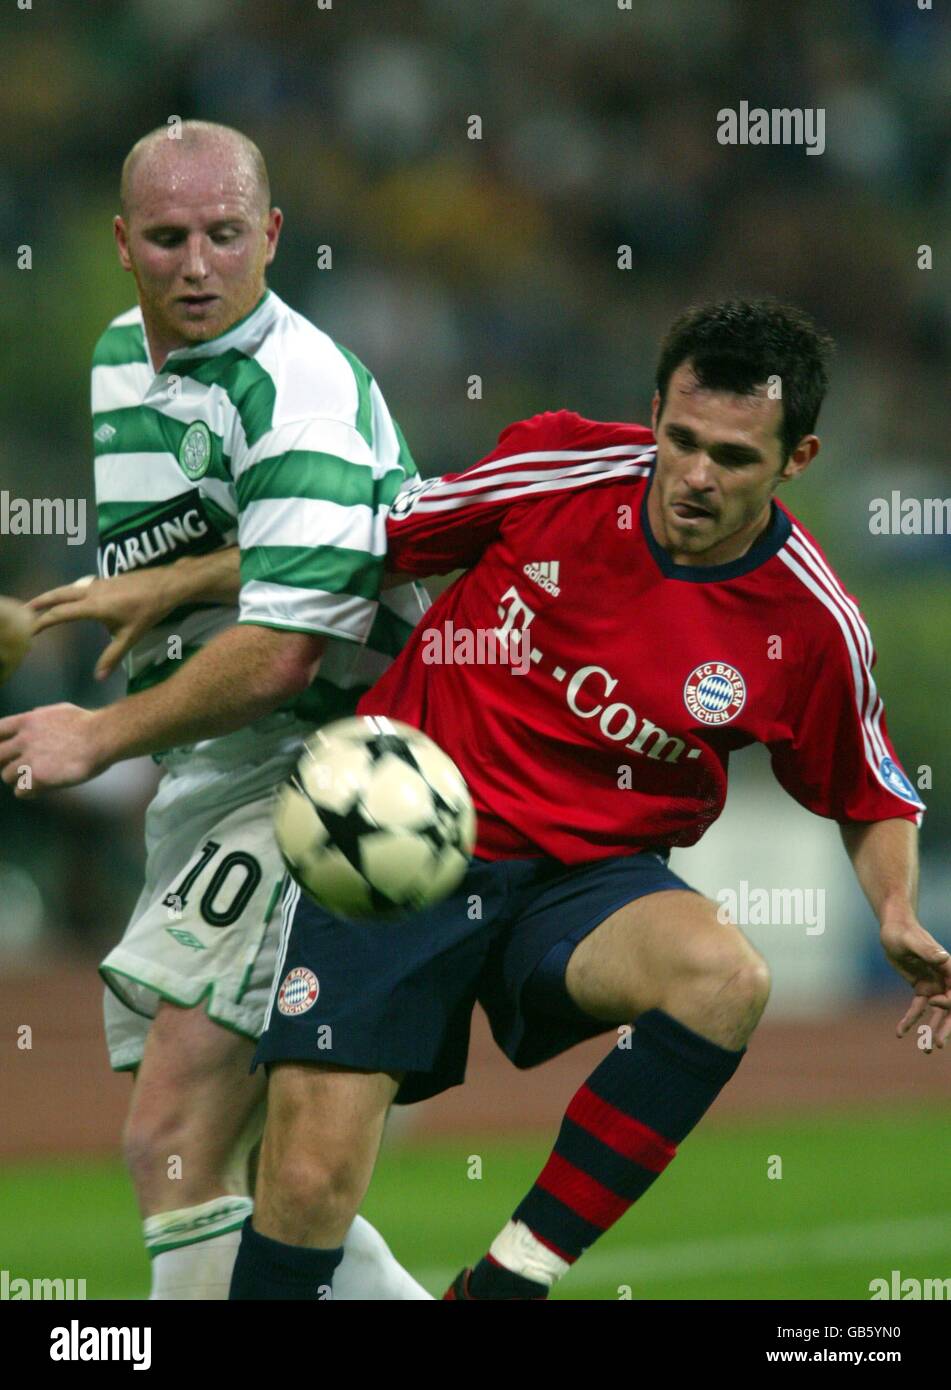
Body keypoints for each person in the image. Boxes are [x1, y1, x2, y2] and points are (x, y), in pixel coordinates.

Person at [224, 297, 945, 1300]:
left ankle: (509, 1283)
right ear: (655, 410)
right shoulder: (560, 464)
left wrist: (896, 908)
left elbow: (869, 786)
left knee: (725, 977)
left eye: (733, 457)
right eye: (679, 439)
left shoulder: (813, 619)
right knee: (304, 1184)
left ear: (799, 458)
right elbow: (368, 544)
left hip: (588, 880)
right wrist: (169, 590)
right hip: (400, 840)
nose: (694, 475)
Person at [1, 120, 431, 1300]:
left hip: (330, 769)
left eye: (226, 235)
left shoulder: (297, 385)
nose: (198, 264)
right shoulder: (112, 360)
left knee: (173, 1137)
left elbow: (289, 649)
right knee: (245, 1161)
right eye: (171, 237)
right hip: (215, 775)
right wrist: (172, 584)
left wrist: (96, 734)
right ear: (123, 243)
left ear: (273, 236)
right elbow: (270, 538)